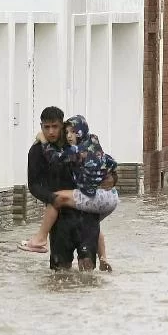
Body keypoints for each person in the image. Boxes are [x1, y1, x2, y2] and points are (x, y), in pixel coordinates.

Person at [29, 115, 118, 271]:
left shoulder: (75, 149)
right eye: (46, 127)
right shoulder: (92, 143)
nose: (51, 131)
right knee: (62, 271)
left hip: (90, 202)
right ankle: (103, 258)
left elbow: (55, 158)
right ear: (41, 126)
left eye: (55, 127)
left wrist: (113, 178)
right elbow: (110, 161)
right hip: (79, 213)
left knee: (58, 198)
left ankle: (39, 238)